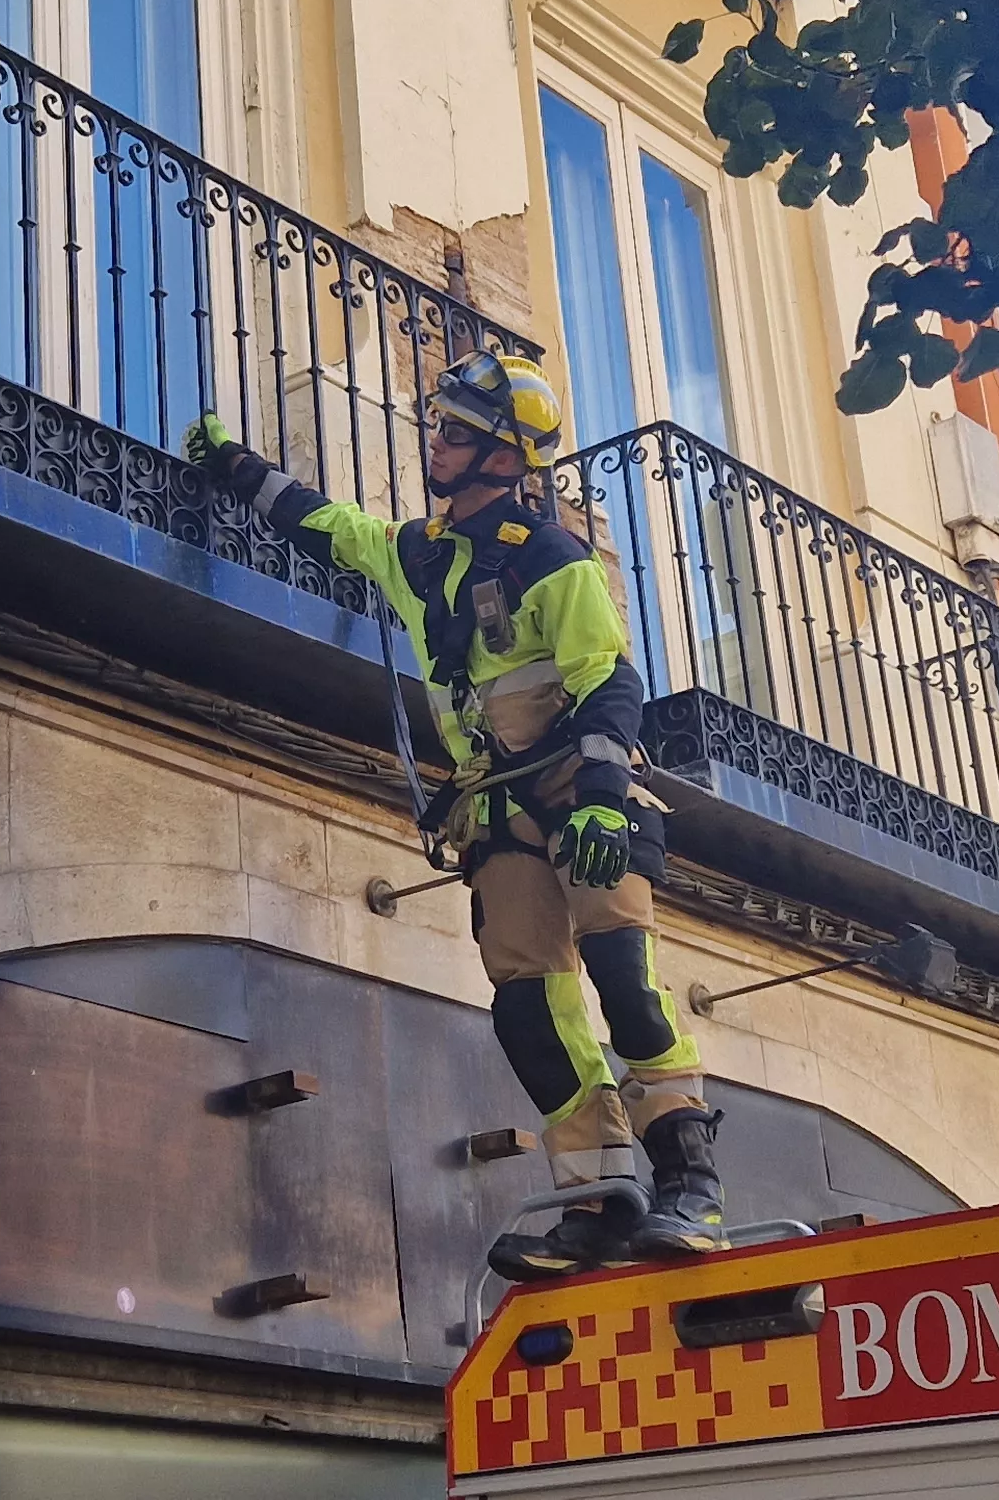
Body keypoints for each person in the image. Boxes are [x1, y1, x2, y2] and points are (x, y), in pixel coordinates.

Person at [182, 356, 727, 1279]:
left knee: (623, 982)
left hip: (578, 794)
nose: (437, 442)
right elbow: (328, 528)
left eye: (459, 432)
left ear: (506, 458)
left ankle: (692, 1185)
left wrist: (598, 797)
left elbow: (608, 676)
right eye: (440, 426)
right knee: (528, 1009)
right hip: (496, 808)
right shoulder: (417, 554)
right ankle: (598, 1201)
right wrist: (235, 465)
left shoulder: (552, 559)